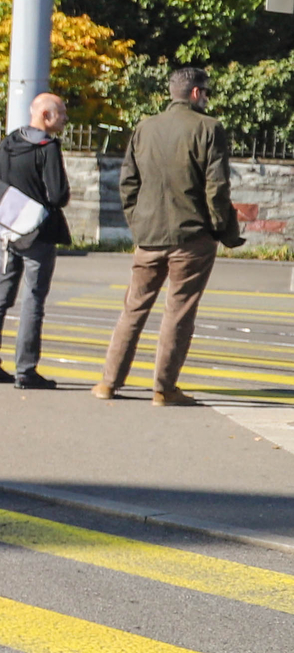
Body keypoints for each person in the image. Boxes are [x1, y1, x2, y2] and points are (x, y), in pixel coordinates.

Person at [96, 65, 245, 405]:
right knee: (178, 313)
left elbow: (128, 182)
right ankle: (163, 388)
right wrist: (225, 231)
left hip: (148, 236)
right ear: (196, 93)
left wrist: (138, 223)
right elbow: (216, 187)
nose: (207, 98)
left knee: (133, 309)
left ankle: (108, 383)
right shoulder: (209, 128)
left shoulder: (145, 127)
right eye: (206, 92)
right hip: (192, 237)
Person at [0, 92, 71, 389]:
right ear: (46, 116)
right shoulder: (48, 148)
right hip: (37, 236)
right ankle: (26, 370)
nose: (66, 119)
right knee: (33, 300)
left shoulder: (9, 142)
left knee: (0, 297)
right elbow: (58, 196)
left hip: (7, 230)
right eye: (62, 114)